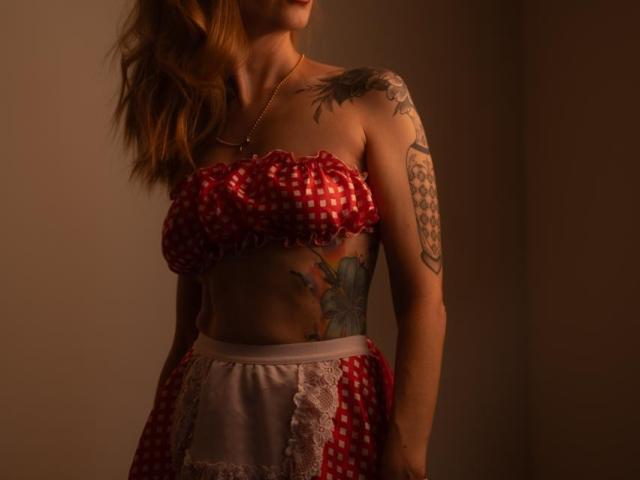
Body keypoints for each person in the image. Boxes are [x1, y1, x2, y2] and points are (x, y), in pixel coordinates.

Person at [109, 1, 446, 479]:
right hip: (208, 405)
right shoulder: (196, 120)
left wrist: (407, 454)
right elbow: (188, 325)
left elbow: (423, 299)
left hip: (329, 406)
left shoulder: (372, 98)